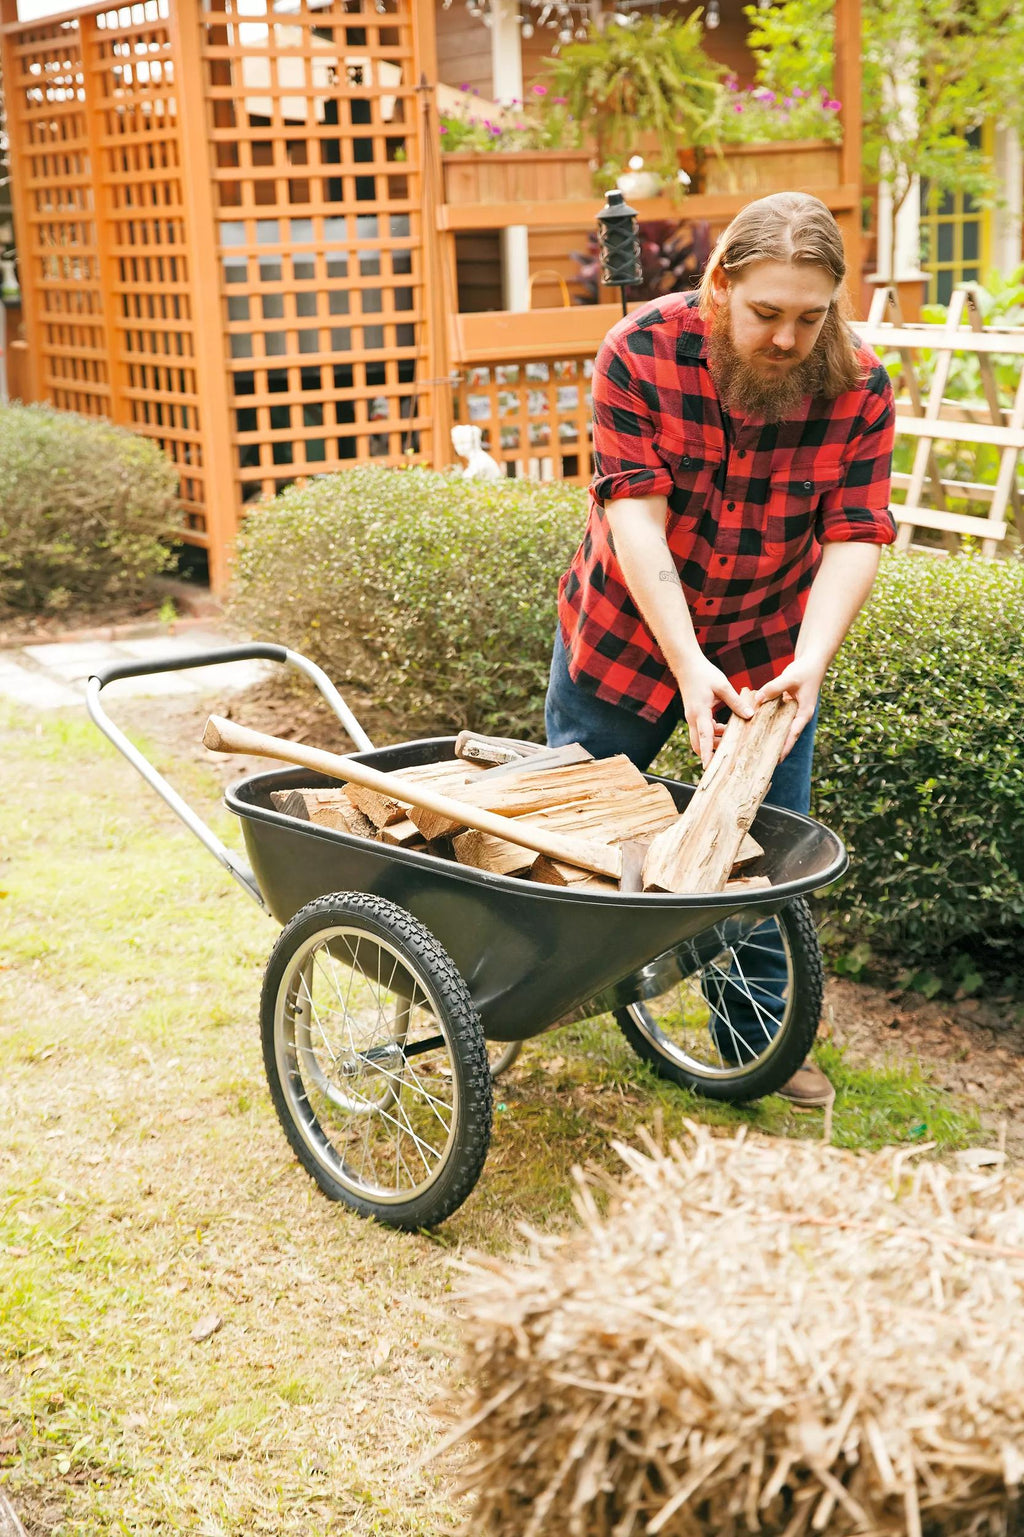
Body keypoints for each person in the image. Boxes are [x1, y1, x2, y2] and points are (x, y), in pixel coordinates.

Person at [545, 191, 896, 1108]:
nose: (787, 339)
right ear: (719, 286)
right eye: (766, 313)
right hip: (626, 637)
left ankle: (758, 1045)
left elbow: (856, 532)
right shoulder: (638, 354)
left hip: (766, 647)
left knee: (764, 851)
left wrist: (812, 660)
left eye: (809, 317)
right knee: (576, 833)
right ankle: (549, 996)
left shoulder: (860, 385)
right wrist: (686, 661)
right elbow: (636, 518)